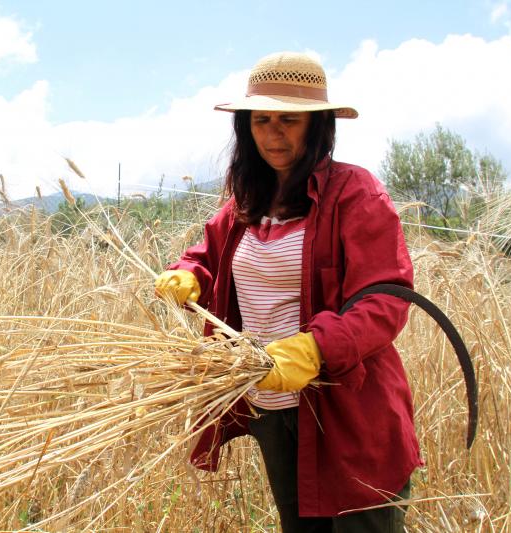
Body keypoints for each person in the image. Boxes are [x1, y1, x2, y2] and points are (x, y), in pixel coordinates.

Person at [155, 51, 421, 532]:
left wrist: (315, 348)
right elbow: (210, 253)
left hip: (347, 410)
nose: (273, 133)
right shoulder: (248, 201)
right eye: (261, 120)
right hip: (273, 406)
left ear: (317, 125)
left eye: (289, 120)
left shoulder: (356, 195)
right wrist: (190, 273)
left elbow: (386, 301)